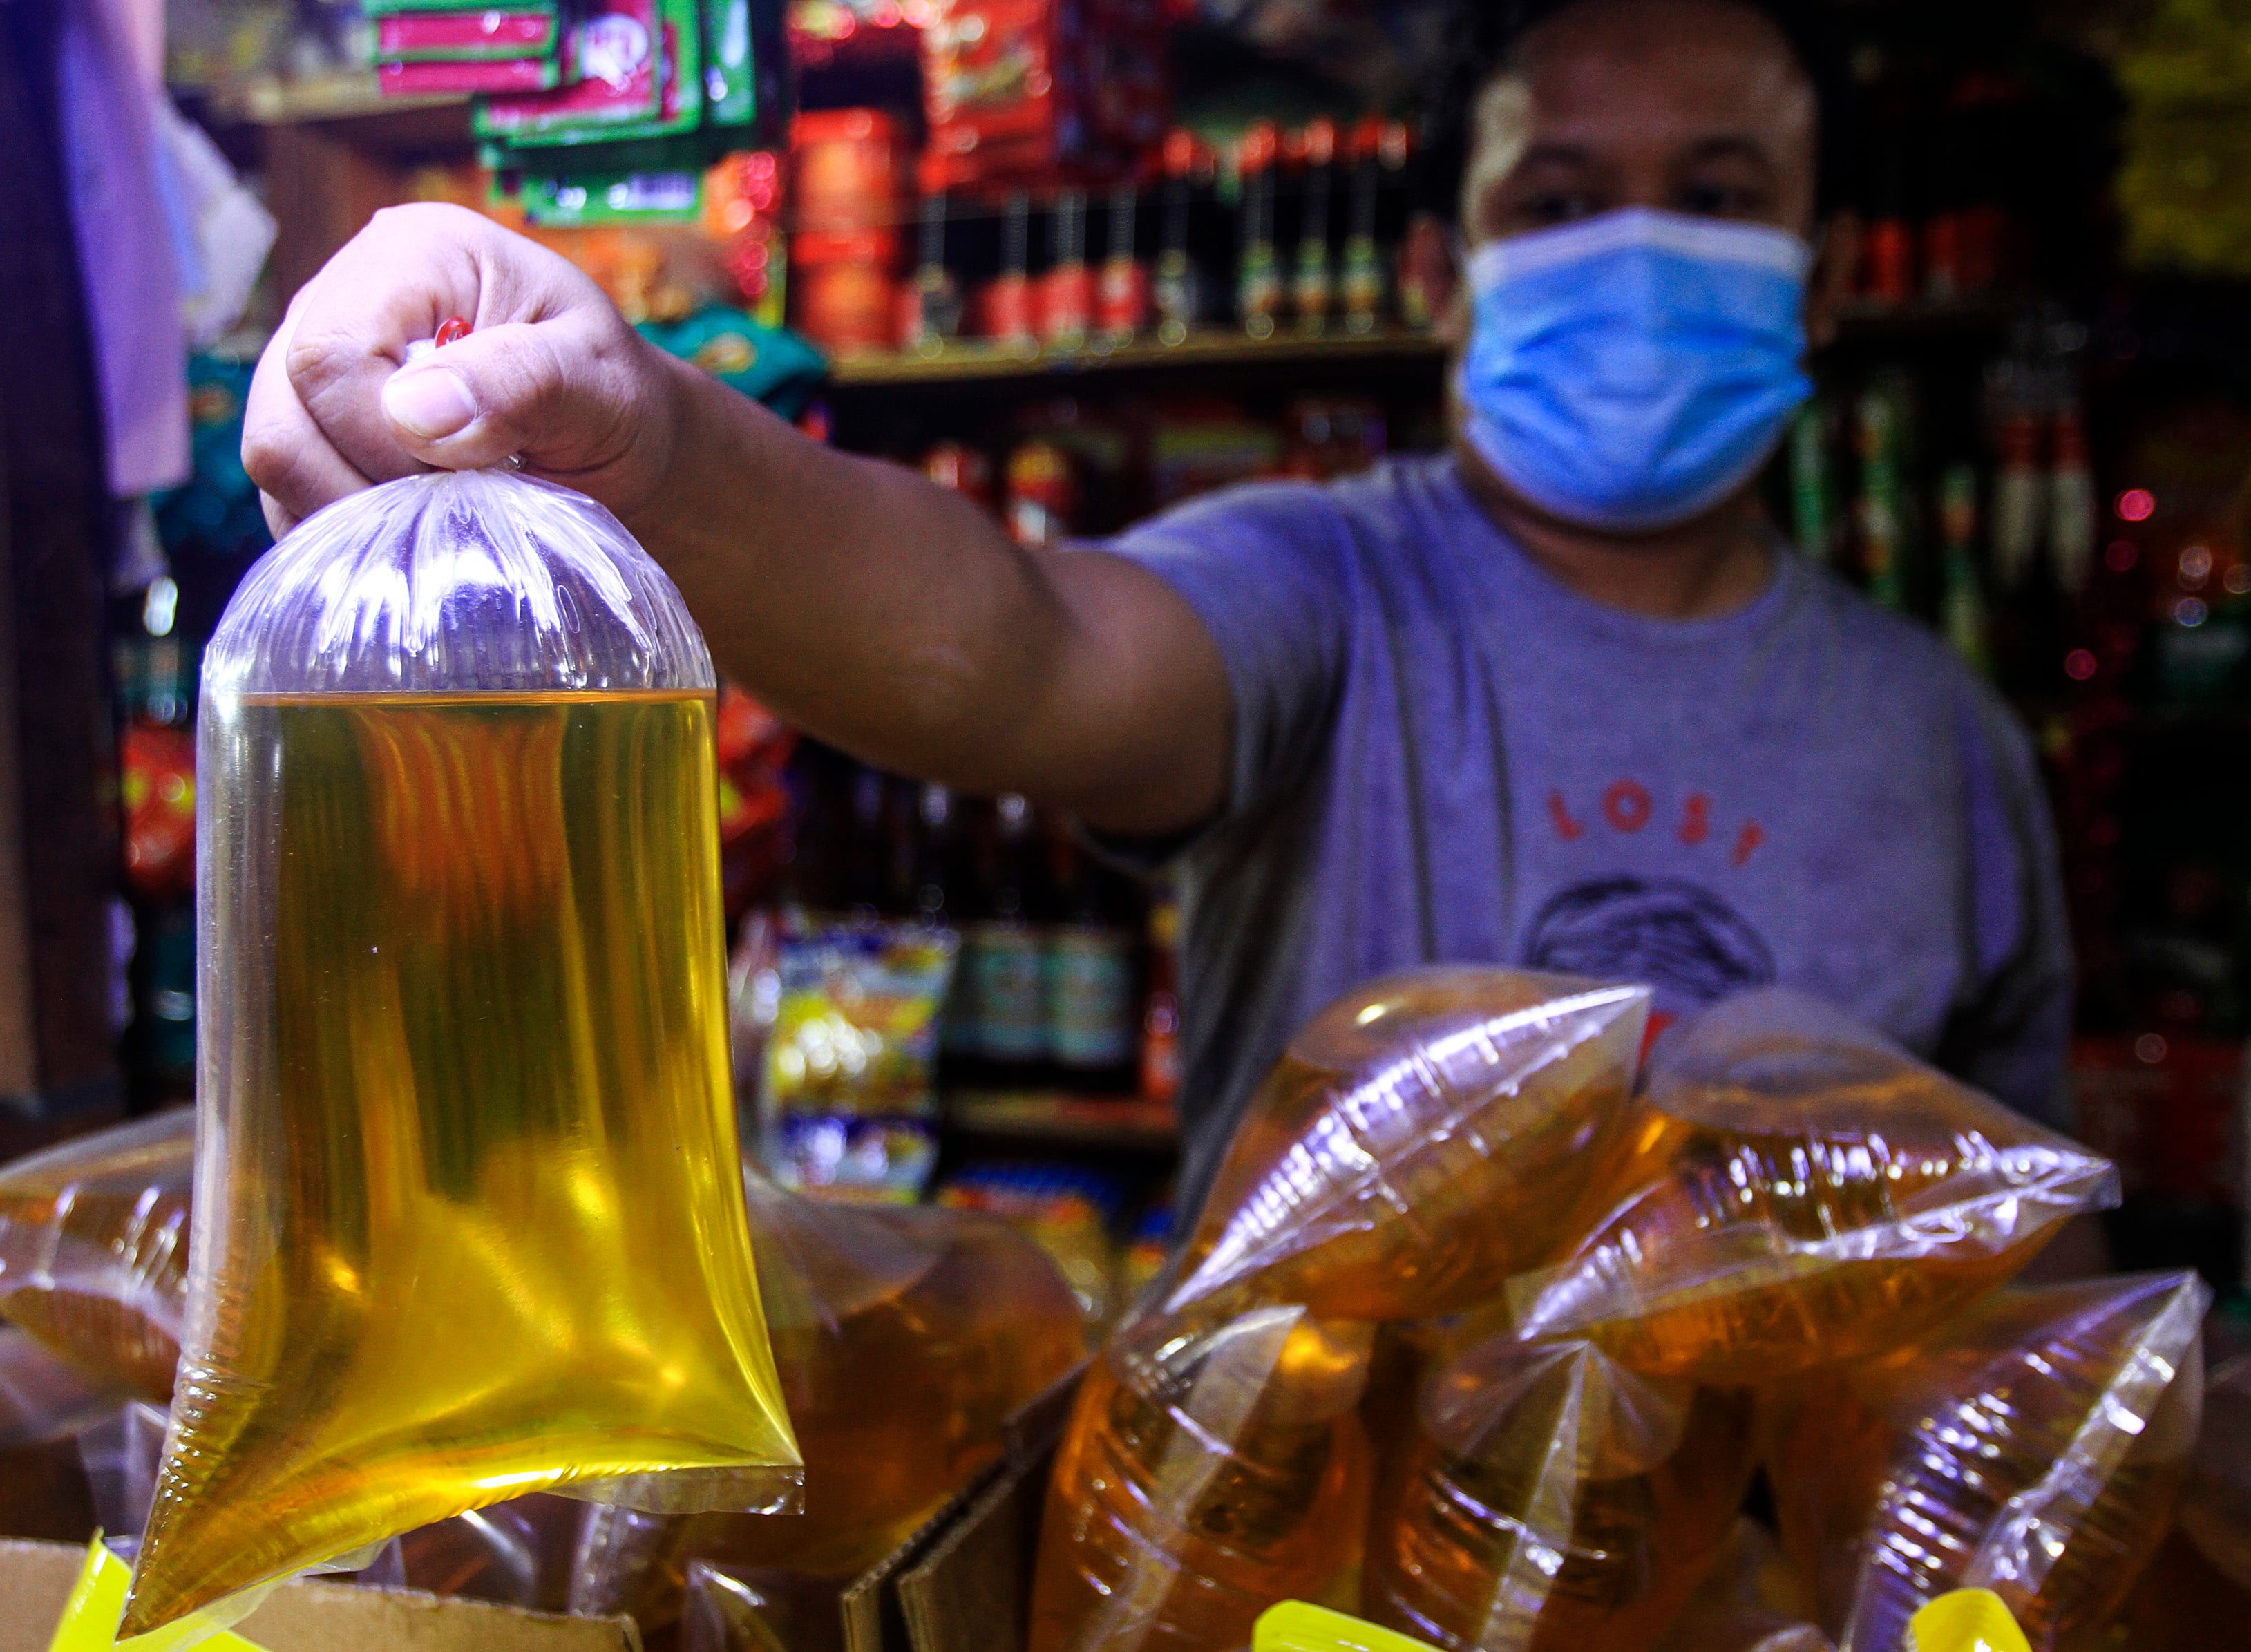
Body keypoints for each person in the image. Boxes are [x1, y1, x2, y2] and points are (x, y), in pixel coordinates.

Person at [243, 0, 2071, 1230]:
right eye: (1562, 200)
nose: (1638, 250)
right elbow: (1011, 652)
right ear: (1439, 273)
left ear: (1822, 279)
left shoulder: (1947, 744)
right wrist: (644, 439)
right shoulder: (1328, 590)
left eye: (1718, 197)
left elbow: (2030, 1271)